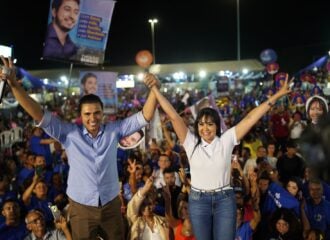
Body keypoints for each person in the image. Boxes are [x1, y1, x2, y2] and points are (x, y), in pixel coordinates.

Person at [0, 57, 159, 239]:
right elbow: (37, 113)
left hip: (111, 206)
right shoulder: (69, 133)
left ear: (103, 112)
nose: (93, 118)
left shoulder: (114, 130)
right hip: (81, 209)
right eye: (87, 114)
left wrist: (155, 89)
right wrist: (14, 85)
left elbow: (145, 116)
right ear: (81, 115)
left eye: (97, 113)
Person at [146, 73, 292, 240]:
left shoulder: (226, 140)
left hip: (224, 201)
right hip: (199, 201)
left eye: (210, 124)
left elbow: (251, 118)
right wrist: (155, 89)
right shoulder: (190, 143)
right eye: (201, 124)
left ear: (217, 126)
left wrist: (277, 95)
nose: (205, 128)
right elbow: (173, 115)